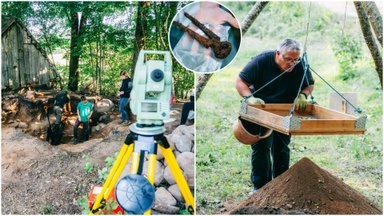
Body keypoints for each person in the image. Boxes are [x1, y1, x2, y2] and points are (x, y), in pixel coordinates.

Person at [235, 38, 315, 192]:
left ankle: (281, 184)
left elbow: (309, 84)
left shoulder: (299, 64)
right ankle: (261, 188)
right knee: (262, 148)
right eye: (288, 59)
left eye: (295, 60)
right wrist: (249, 97)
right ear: (278, 53)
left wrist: (303, 95)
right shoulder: (261, 61)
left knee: (282, 147)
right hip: (261, 110)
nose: (292, 63)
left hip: (284, 111)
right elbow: (240, 81)